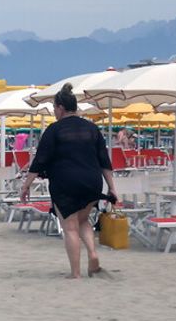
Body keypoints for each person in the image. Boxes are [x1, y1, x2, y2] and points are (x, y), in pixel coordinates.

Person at [18, 83, 119, 279]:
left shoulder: (54, 130)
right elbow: (104, 160)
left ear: (61, 108)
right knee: (82, 220)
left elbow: (40, 160)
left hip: (65, 182)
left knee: (70, 227)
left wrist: (26, 185)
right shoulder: (92, 129)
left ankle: (75, 273)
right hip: (92, 181)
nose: (54, 112)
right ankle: (92, 253)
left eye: (54, 108)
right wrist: (112, 187)